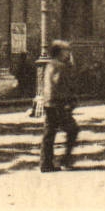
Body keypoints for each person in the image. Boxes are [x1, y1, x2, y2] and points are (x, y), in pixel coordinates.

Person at [33, 40, 79, 172]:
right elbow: (59, 83)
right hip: (59, 103)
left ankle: (45, 163)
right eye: (66, 51)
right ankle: (66, 159)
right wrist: (68, 101)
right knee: (72, 130)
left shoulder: (50, 64)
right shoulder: (60, 66)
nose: (68, 53)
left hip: (49, 103)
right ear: (60, 52)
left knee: (49, 133)